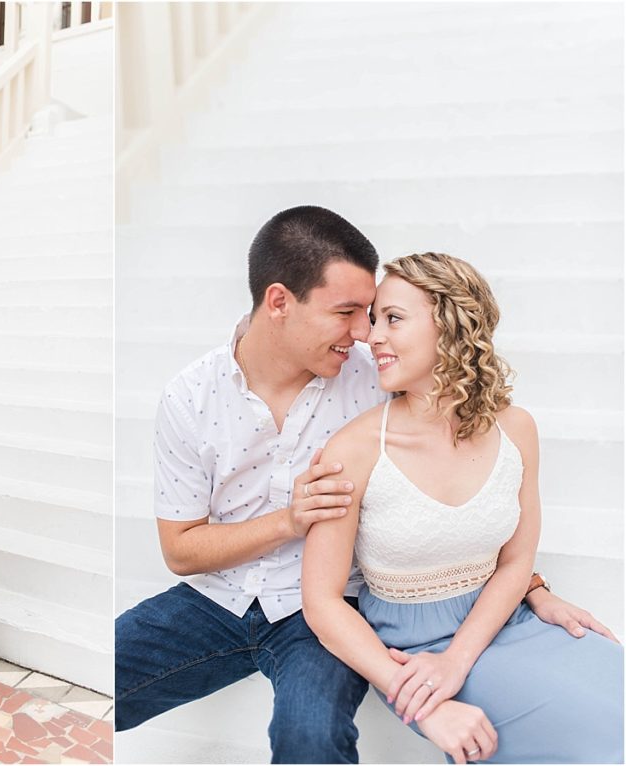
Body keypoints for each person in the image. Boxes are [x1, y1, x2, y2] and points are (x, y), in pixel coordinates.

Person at [114, 207, 616, 763]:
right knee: (106, 667)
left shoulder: (375, 376)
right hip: (219, 597)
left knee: (310, 734)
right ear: (278, 303)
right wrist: (289, 519)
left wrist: (534, 587)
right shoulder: (192, 396)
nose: (364, 334)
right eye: (350, 313)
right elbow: (180, 551)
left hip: (323, 614)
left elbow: (463, 451)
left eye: (376, 316)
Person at [302, 252, 623, 764]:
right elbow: (321, 602)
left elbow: (516, 562)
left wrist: (461, 657)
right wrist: (431, 684)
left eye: (393, 318)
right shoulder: (355, 450)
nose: (372, 336)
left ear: (449, 324)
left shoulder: (516, 429)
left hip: (502, 622)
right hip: (413, 650)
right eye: (373, 319)